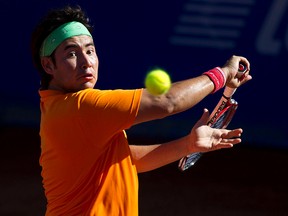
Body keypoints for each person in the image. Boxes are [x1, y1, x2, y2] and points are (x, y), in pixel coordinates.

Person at [30, 4, 252, 216]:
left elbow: (125, 160)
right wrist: (222, 74)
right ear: (48, 65)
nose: (86, 61)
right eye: (71, 53)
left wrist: (187, 144)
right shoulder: (80, 107)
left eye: (90, 50)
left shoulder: (59, 109)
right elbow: (168, 101)